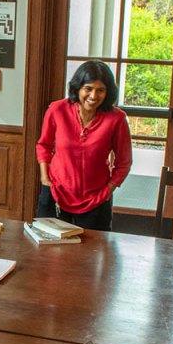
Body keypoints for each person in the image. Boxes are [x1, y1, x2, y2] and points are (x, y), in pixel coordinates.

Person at [35, 60, 132, 231]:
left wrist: (108, 191)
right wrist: (45, 180)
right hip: (55, 193)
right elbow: (43, 145)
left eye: (100, 90)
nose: (93, 96)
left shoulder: (117, 119)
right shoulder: (57, 110)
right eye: (88, 89)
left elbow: (124, 162)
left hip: (96, 199)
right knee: (48, 254)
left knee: (91, 254)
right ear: (77, 88)